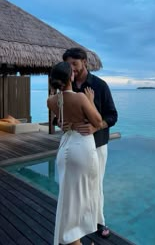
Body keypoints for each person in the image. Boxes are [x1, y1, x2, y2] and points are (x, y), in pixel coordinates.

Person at [62, 47, 118, 238]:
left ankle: (98, 222)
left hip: (97, 145)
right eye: (68, 65)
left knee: (95, 186)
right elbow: (57, 117)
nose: (72, 68)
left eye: (74, 64)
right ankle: (76, 223)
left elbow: (112, 116)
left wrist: (96, 126)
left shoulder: (100, 86)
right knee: (74, 186)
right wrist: (63, 123)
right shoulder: (66, 87)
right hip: (74, 145)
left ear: (84, 61)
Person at [47, 61, 103, 245]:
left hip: (65, 148)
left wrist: (63, 123)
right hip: (81, 148)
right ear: (70, 76)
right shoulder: (80, 98)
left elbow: (61, 119)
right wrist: (91, 101)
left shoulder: (51, 101)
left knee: (69, 197)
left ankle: (73, 238)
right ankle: (73, 239)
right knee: (83, 196)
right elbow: (97, 120)